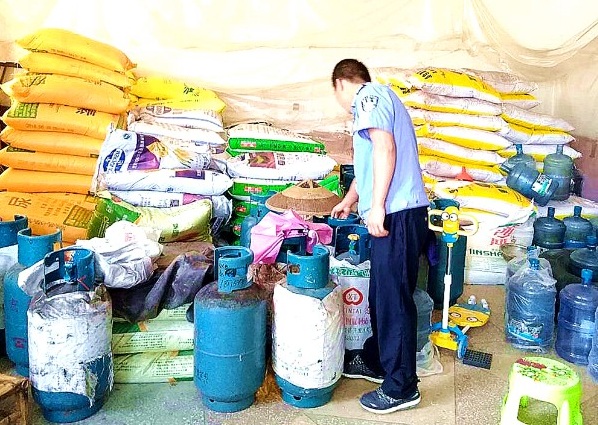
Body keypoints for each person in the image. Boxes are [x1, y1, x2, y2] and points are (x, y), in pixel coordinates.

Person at [330, 59, 430, 414]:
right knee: (380, 293)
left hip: (397, 213)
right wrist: (350, 200)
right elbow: (369, 165)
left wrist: (377, 207)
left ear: (341, 83)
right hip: (394, 211)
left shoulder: (369, 97)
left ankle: (402, 387)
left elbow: (385, 149)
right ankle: (376, 360)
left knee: (393, 298)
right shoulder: (372, 105)